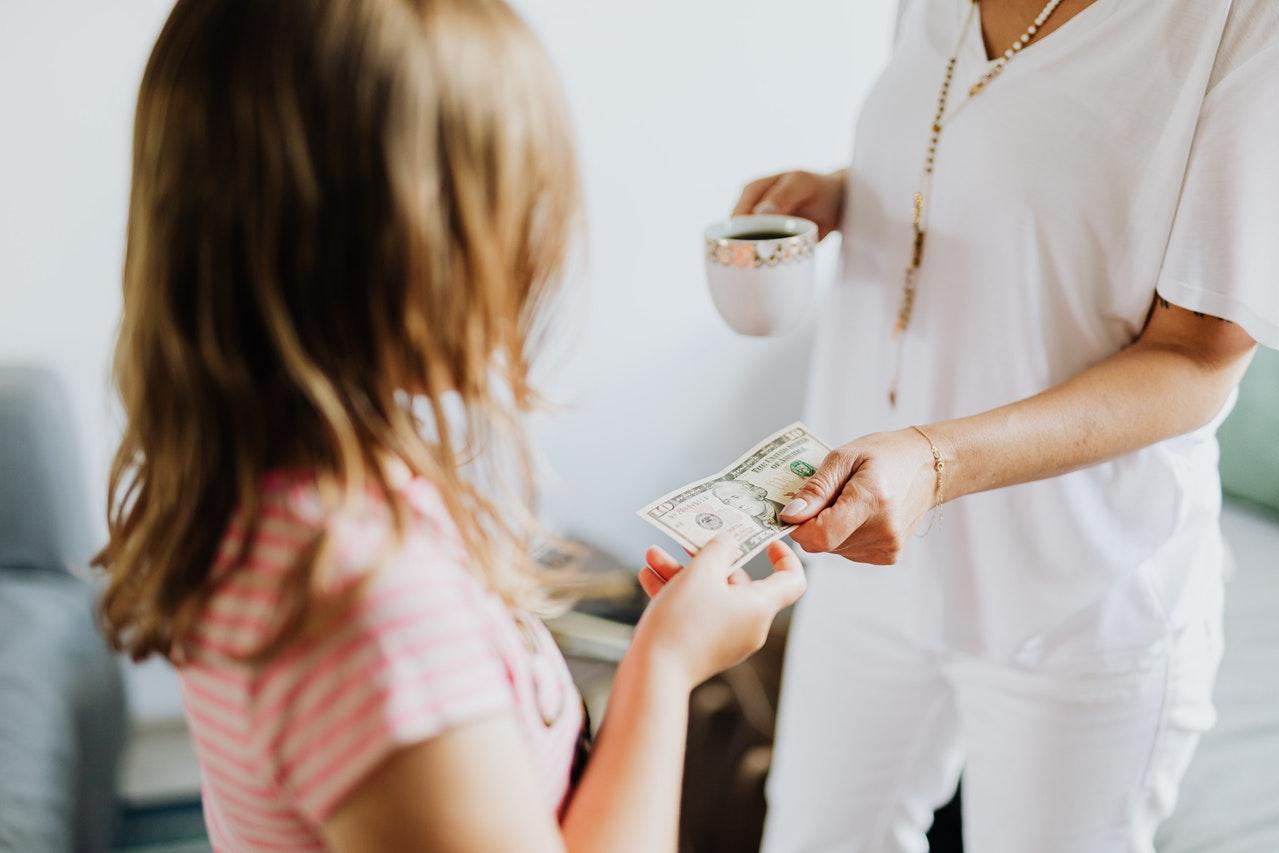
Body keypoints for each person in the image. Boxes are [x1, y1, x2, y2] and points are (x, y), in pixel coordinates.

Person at [92, 1, 806, 850]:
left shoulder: (261, 481)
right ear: (382, 243)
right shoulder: (362, 600)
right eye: (506, 210)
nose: (531, 252)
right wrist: (667, 667)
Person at [734, 0, 1279, 851]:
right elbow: (1001, 153)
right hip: (872, 564)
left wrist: (935, 461)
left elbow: (1198, 357)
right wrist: (848, 192)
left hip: (1080, 595)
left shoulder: (1238, 23)